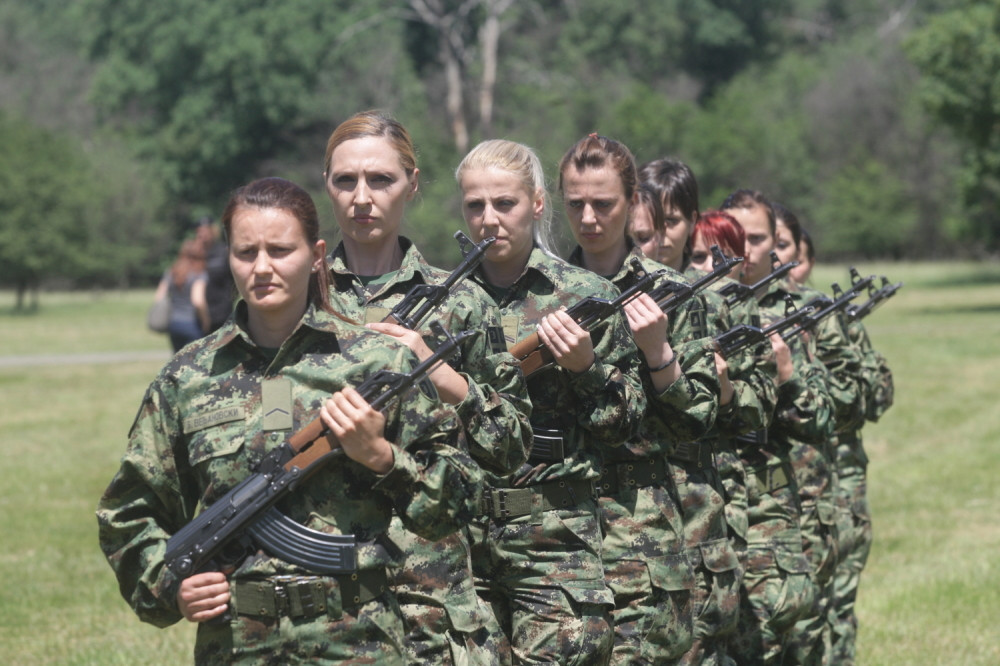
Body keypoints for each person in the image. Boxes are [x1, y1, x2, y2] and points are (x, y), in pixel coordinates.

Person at [97, 177, 483, 664]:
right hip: (237, 644)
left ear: (317, 255)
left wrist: (382, 457)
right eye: (246, 252)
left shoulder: (377, 363)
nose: (262, 267)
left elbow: (461, 498)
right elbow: (129, 510)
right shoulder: (187, 378)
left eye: (280, 250)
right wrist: (168, 584)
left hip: (360, 641)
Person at [322, 110, 530, 664]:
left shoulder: (461, 302)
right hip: (324, 595)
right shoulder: (296, 299)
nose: (361, 197)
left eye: (380, 179)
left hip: (430, 596)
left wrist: (446, 379)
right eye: (345, 180)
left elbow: (512, 444)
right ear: (327, 185)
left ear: (412, 184)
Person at [456, 138, 647, 664]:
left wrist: (586, 368)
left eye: (505, 203)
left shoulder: (585, 295)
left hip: (556, 543)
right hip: (464, 544)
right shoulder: (445, 303)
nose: (489, 219)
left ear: (537, 204)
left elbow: (626, 425)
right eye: (475, 205)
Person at [560, 135, 726, 665]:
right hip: (556, 535)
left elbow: (698, 420)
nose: (588, 217)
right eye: (576, 203)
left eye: (603, 203)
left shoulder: (673, 293)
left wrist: (659, 354)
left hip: (640, 531)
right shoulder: (542, 292)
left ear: (634, 202)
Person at [638, 159, 778, 666]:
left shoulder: (723, 304)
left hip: (696, 508)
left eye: (672, 222)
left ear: (693, 221)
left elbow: (759, 410)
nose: (658, 238)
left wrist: (724, 389)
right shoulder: (603, 291)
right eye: (647, 225)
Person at [721, 189, 835, 665]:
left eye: (757, 238)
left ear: (776, 243)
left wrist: (788, 377)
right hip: (710, 508)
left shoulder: (798, 312)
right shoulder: (699, 307)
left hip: (776, 503)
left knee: (778, 639)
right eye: (735, 238)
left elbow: (822, 417)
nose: (745, 250)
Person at [154, 239, 210, 352]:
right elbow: (198, 301)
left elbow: (159, 296)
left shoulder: (172, 271)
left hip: (173, 323)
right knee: (195, 360)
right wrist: (206, 321)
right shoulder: (199, 274)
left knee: (178, 359)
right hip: (192, 324)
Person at [195, 216, 236, 333]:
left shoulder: (223, 252)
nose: (202, 234)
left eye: (205, 230)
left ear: (213, 231)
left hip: (221, 312)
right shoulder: (195, 253)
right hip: (198, 314)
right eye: (199, 231)